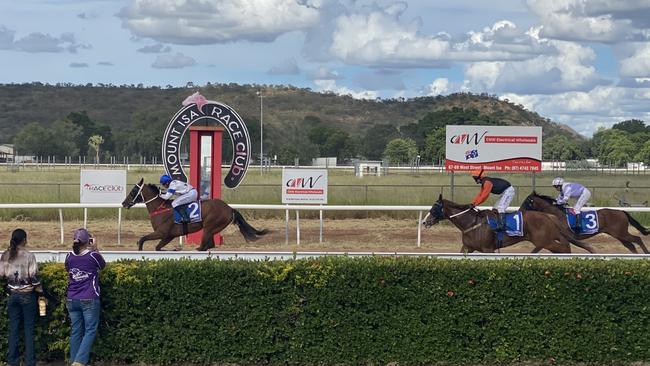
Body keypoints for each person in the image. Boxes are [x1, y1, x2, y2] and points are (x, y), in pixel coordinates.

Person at [0, 229, 42, 366]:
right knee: (29, 331)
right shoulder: (29, 256)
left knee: (14, 329)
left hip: (13, 296)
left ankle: (12, 361)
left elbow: (1, 274)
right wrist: (41, 293)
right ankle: (30, 362)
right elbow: (34, 277)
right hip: (27, 296)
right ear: (24, 239)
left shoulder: (6, 255)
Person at [65, 228, 106, 366]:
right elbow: (103, 266)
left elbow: (68, 269)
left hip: (72, 299)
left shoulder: (69, 256)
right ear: (87, 241)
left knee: (76, 330)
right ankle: (79, 361)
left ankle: (74, 360)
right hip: (89, 298)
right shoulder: (93, 255)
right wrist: (95, 248)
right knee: (90, 330)